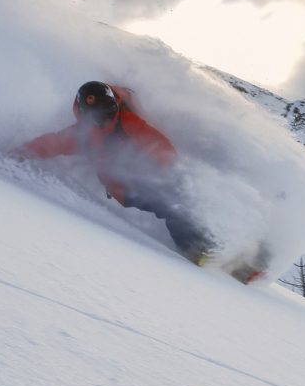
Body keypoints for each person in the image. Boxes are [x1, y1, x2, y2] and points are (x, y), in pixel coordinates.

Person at [14, 81, 214, 263]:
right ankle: (198, 250)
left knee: (181, 197)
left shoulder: (126, 120)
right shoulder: (81, 135)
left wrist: (172, 170)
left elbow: (160, 145)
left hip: (149, 173)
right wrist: (20, 153)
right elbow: (52, 143)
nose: (104, 120)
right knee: (169, 204)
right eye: (97, 116)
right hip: (122, 187)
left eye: (108, 112)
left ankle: (211, 242)